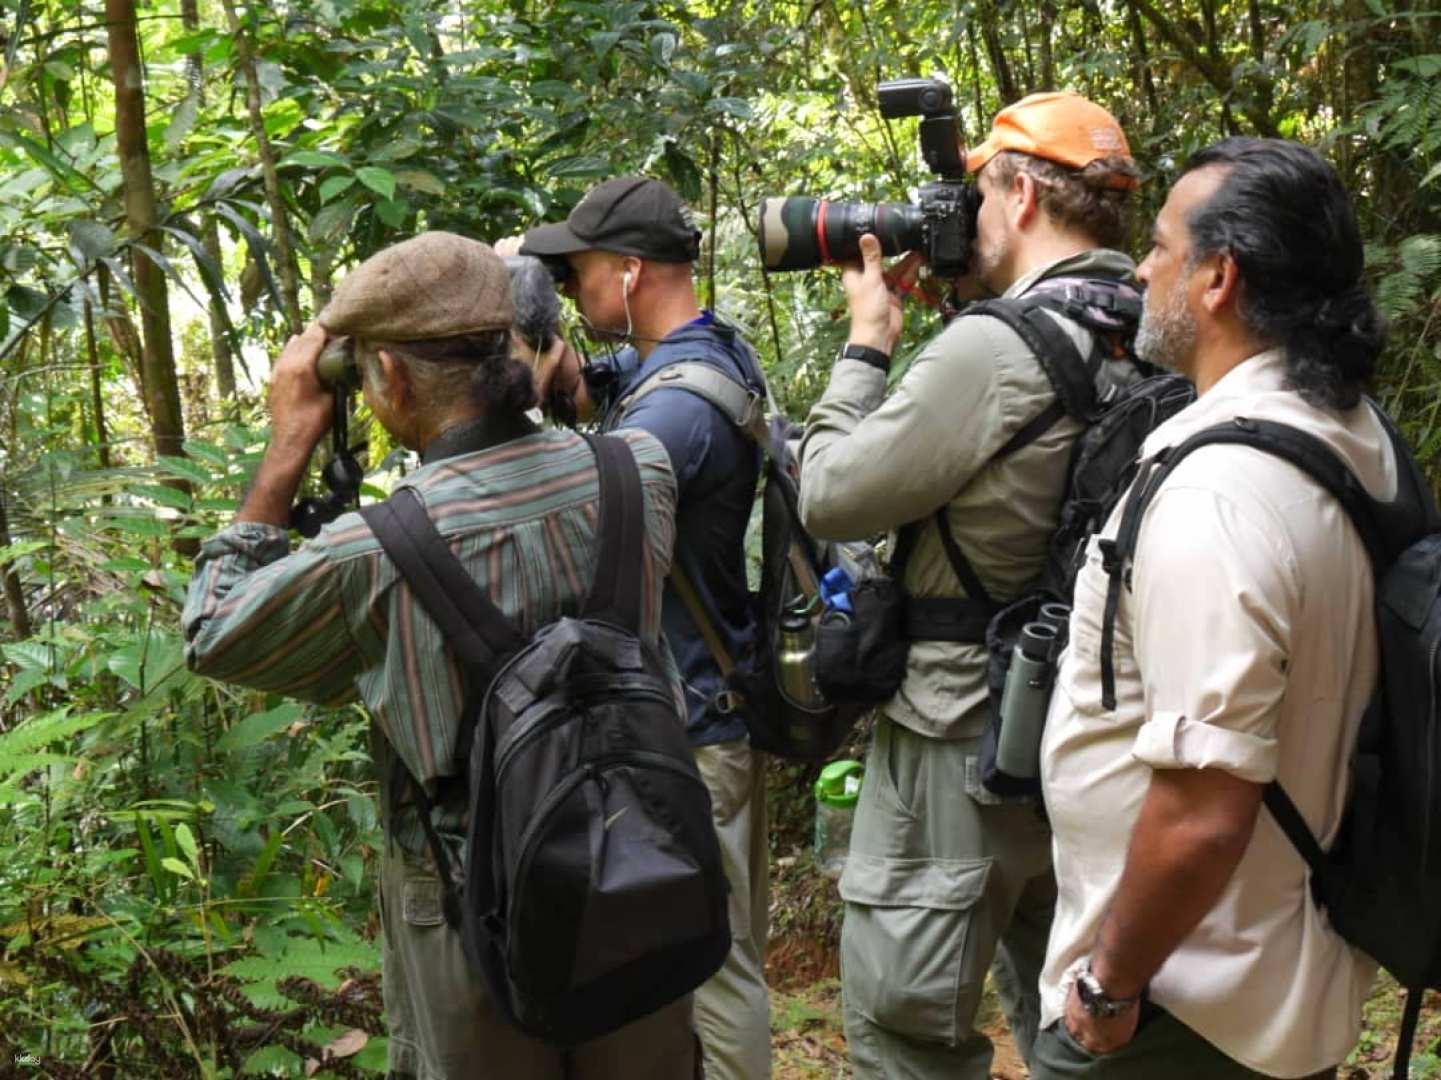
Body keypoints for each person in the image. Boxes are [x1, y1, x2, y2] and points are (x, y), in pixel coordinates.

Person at [182, 232, 696, 1079]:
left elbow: (212, 632)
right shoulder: (638, 470)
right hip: (642, 857)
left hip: (465, 902)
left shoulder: (373, 556)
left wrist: (288, 448)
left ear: (388, 379)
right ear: (514, 347)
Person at [796, 92, 1142, 1079]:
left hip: (959, 735)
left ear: (1024, 194)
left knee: (907, 1033)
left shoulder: (994, 350)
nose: (963, 217)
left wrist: (867, 343)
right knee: (1061, 1019)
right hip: (1083, 728)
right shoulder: (1145, 326)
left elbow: (829, 492)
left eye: (978, 195)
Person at [1032, 138, 1391, 1079]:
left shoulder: (1218, 498)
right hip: (1278, 962)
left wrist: (1108, 991)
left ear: (1217, 278)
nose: (1142, 268)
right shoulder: (1348, 434)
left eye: (1159, 247)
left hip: (1184, 1006)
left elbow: (1202, 808)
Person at [516, 176, 773, 1080]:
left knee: (715, 964)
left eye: (580, 273)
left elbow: (587, 527)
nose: (572, 294)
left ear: (628, 272)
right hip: (711, 704)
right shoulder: (712, 355)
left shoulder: (673, 413)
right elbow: (624, 385)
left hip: (693, 726)